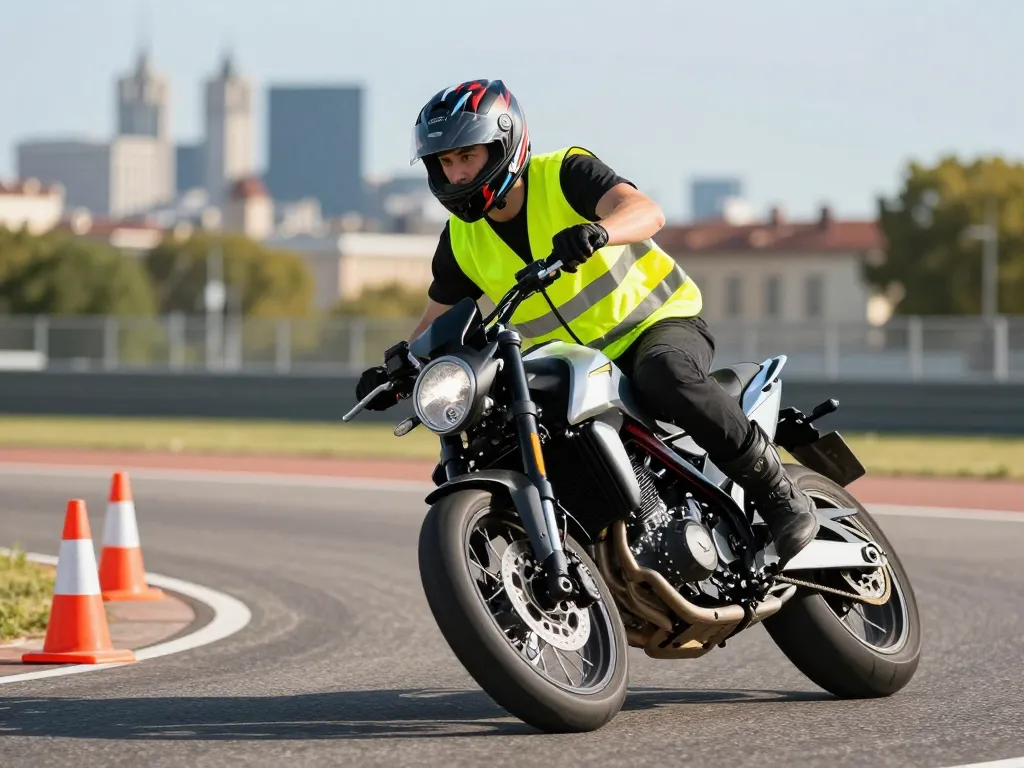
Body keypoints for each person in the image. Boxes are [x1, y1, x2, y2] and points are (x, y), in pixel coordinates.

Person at [356, 79, 818, 563]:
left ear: (504, 145)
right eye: (445, 163)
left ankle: (779, 495)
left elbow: (644, 211)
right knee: (512, 431)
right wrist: (402, 367)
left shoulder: (564, 174)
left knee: (665, 374)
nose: (456, 175)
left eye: (466, 157)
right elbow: (440, 314)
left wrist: (600, 231)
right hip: (576, 364)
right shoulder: (460, 239)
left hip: (655, 327)